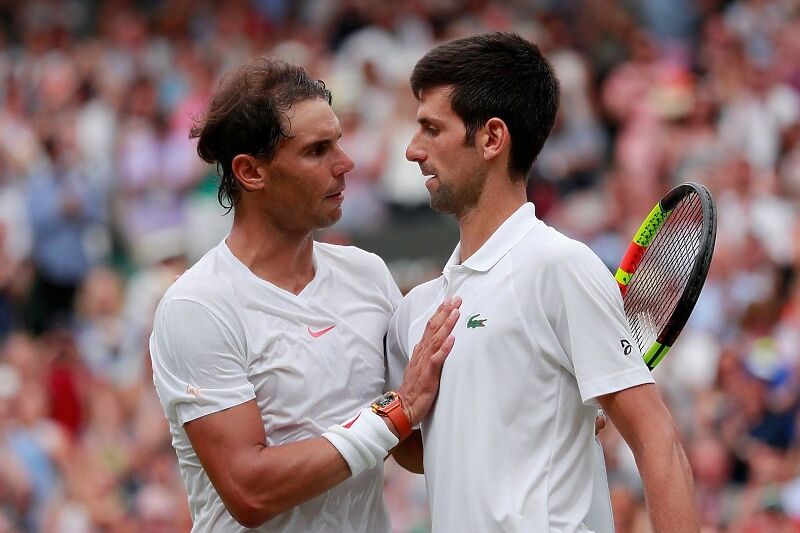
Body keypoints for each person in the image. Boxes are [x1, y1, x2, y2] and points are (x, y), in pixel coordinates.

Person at [387, 32, 700, 533]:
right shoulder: (417, 309)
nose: (411, 150)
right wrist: (404, 411)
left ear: (491, 138)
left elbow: (657, 441)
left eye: (431, 129)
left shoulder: (558, 266)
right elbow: (429, 453)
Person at [148, 58, 460, 532]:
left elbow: (411, 447)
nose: (346, 163)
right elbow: (250, 491)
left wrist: (538, 415)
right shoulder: (197, 307)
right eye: (318, 151)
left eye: (338, 140)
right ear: (251, 172)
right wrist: (395, 410)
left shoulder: (368, 274)